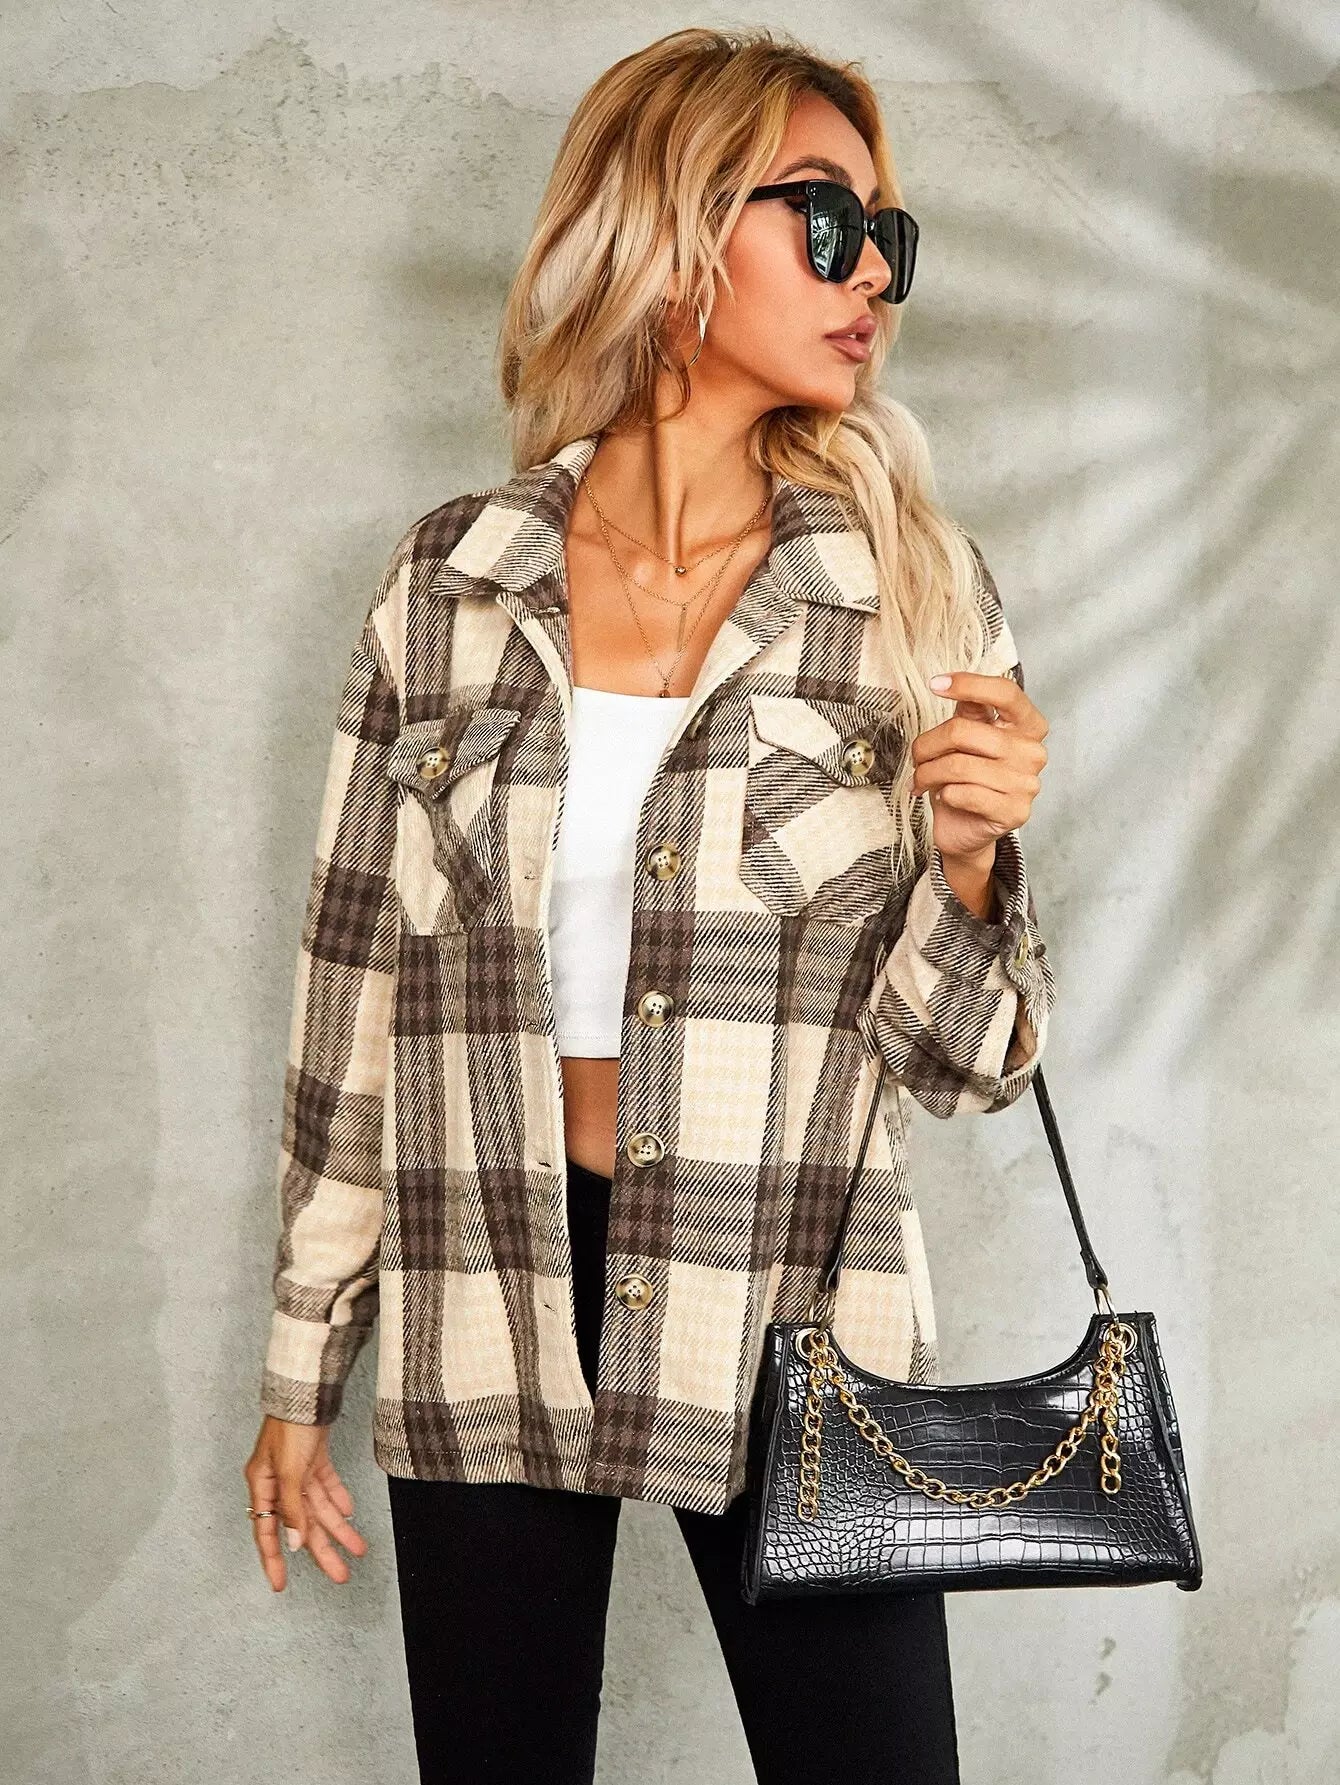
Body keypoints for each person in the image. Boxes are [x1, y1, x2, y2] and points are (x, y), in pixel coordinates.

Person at [243, 24, 1056, 1784]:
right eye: (827, 222)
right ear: (680, 235)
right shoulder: (447, 586)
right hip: (490, 1283)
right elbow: (353, 1002)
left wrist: (974, 863)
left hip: (793, 1301)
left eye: (888, 237)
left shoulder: (910, 593)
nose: (872, 276)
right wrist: (301, 1364)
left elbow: (963, 1064)